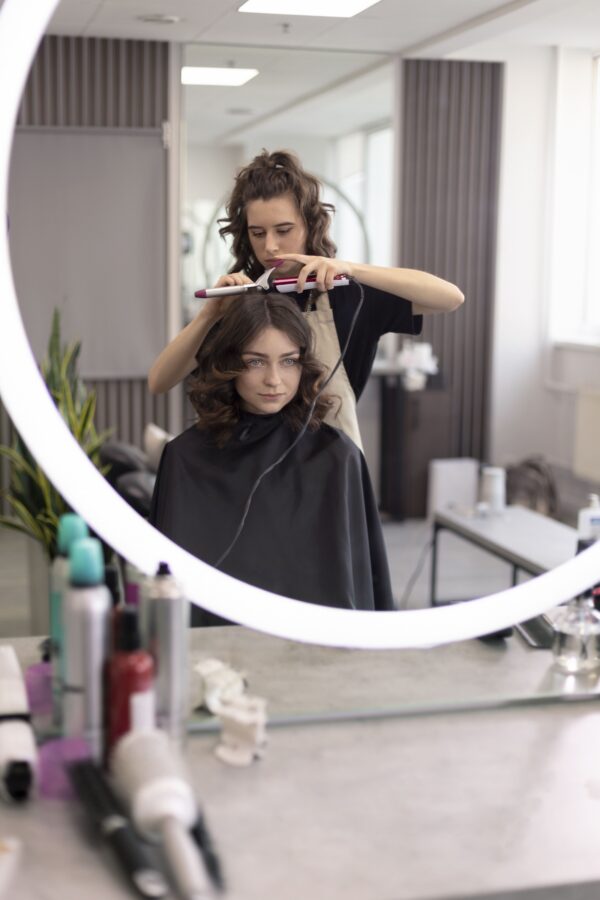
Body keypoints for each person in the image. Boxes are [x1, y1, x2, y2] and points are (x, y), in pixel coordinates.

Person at [148, 149, 464, 448]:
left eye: (283, 230)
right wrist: (209, 316)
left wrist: (351, 269)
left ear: (310, 224)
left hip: (331, 472)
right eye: (258, 233)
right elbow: (159, 381)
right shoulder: (240, 300)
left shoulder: (348, 294)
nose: (270, 246)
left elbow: (450, 298)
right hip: (249, 471)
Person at [149, 292, 394, 625]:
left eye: (289, 361)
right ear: (229, 364)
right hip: (218, 659)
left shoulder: (338, 457)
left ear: (304, 364)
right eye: (256, 361)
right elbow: (170, 598)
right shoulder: (185, 459)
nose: (274, 380)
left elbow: (364, 590)